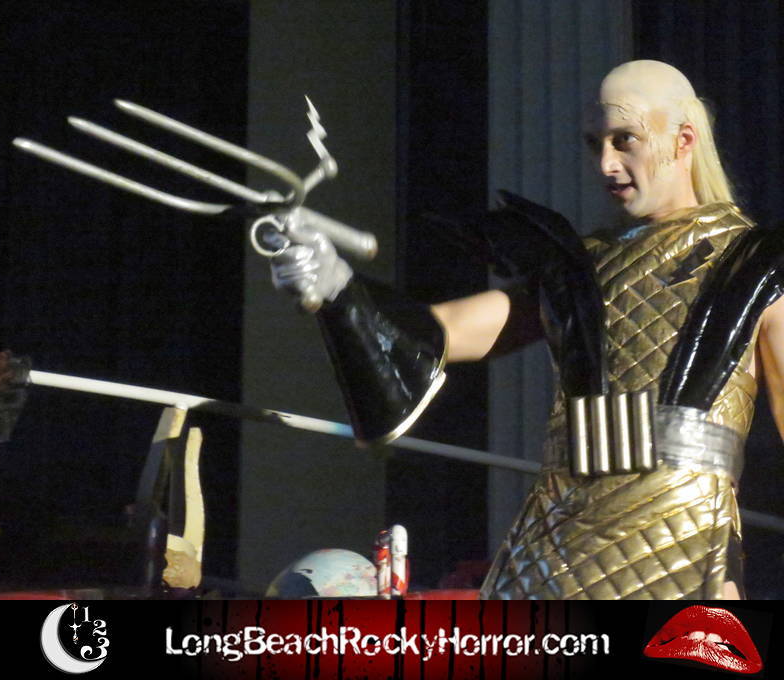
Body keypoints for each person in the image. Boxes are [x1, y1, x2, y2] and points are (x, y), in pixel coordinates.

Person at [271, 60, 784, 599]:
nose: (606, 163)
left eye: (624, 139)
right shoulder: (581, 266)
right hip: (554, 544)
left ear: (684, 140)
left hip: (684, 541)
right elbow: (443, 331)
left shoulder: (754, 264)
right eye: (594, 144)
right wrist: (337, 286)